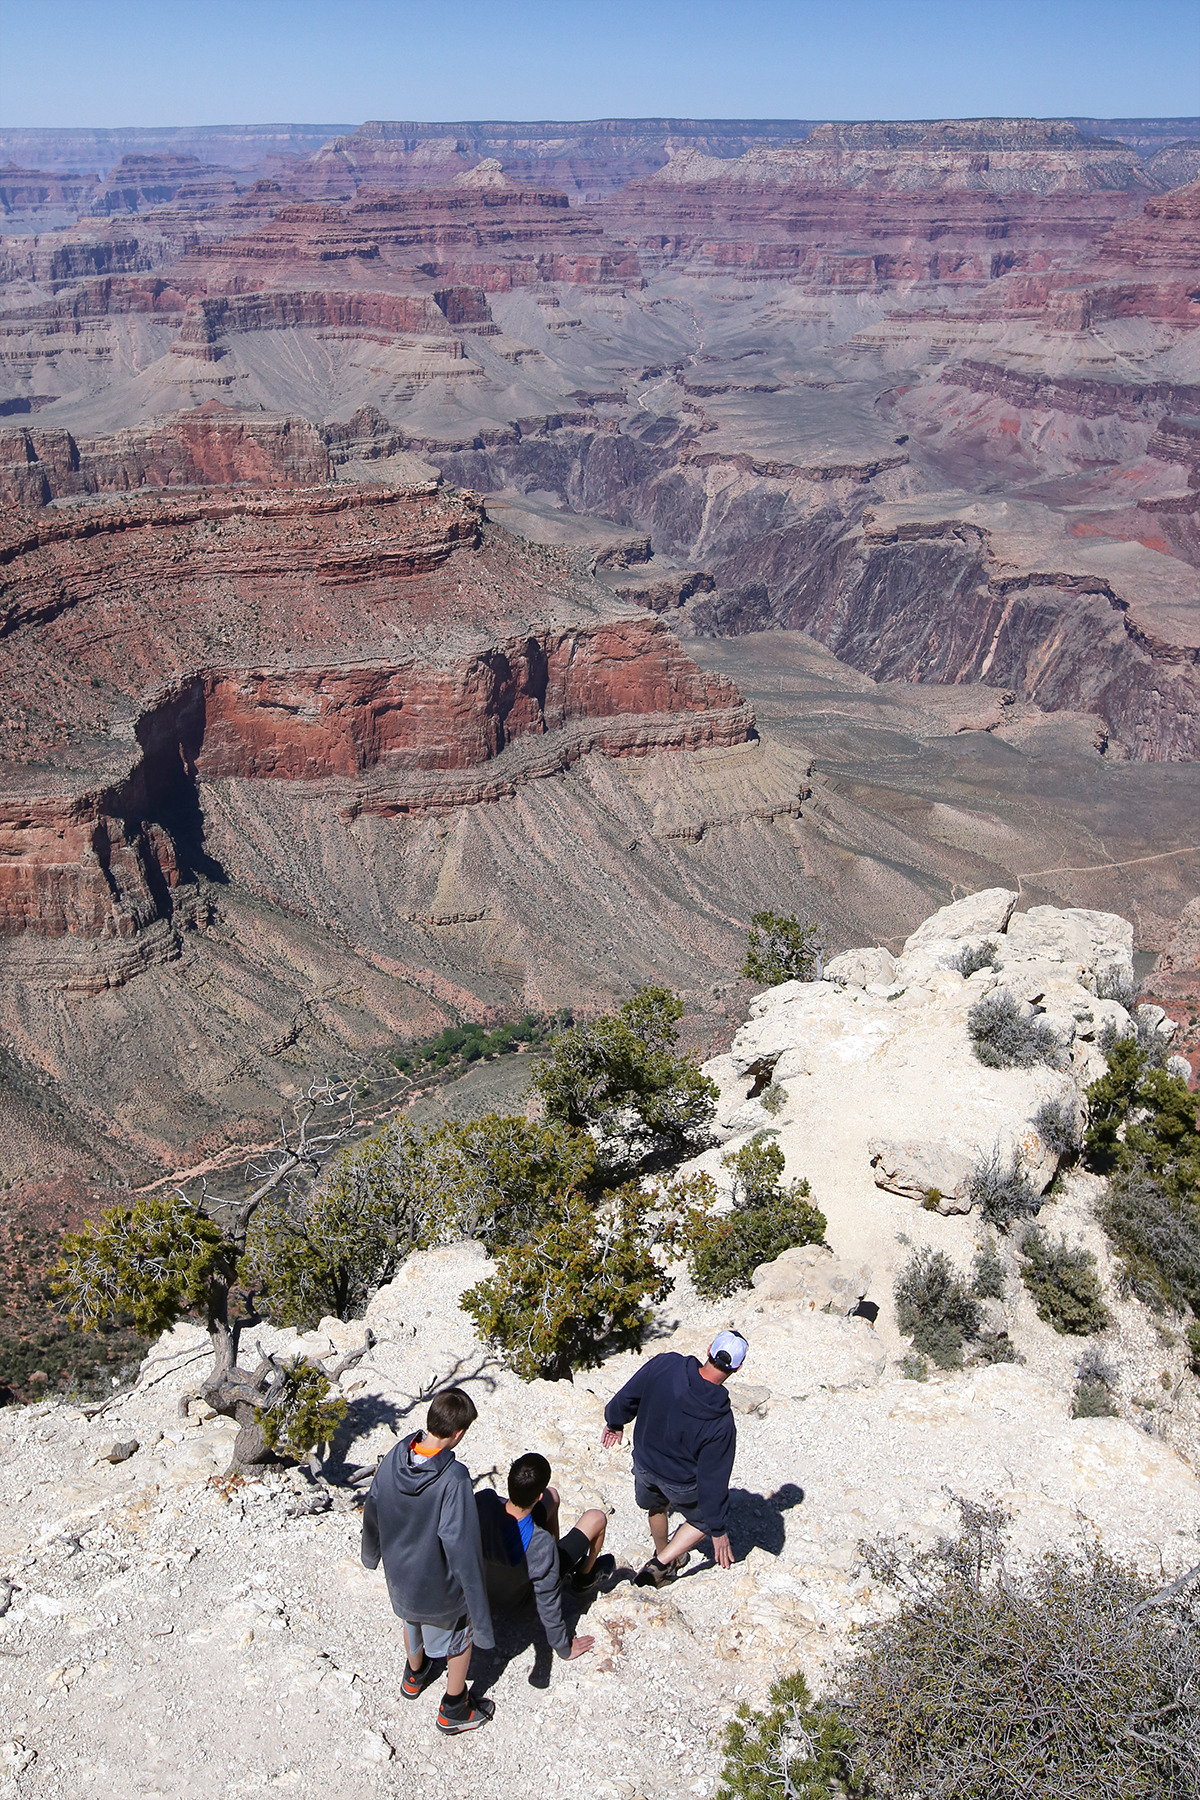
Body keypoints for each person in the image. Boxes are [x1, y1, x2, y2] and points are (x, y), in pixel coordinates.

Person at [361, 1386, 496, 1735]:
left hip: (400, 1580)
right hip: (439, 1588)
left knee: (411, 1622)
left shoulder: (397, 1453)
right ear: (459, 1433)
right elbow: (461, 1545)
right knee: (460, 1637)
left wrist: (370, 1553)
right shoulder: (453, 1478)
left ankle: (414, 1675)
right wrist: (479, 1608)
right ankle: (454, 1706)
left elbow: (373, 1502)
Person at [601, 1329, 747, 1588]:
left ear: (709, 1349)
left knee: (657, 1506)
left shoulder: (666, 1364)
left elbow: (628, 1395)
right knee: (703, 1519)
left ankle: (663, 1552)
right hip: (680, 1481)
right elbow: (712, 1480)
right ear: (738, 1368)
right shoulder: (721, 1421)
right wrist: (717, 1528)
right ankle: (660, 1563)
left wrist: (614, 1421)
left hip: (645, 1463)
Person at [476, 1452, 611, 1662]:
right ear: (537, 1497)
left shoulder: (484, 1501)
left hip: (485, 1586)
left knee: (553, 1496)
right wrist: (564, 1648)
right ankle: (584, 1578)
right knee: (597, 1517)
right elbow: (549, 1602)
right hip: (520, 1600)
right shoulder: (540, 1544)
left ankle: (555, 1557)